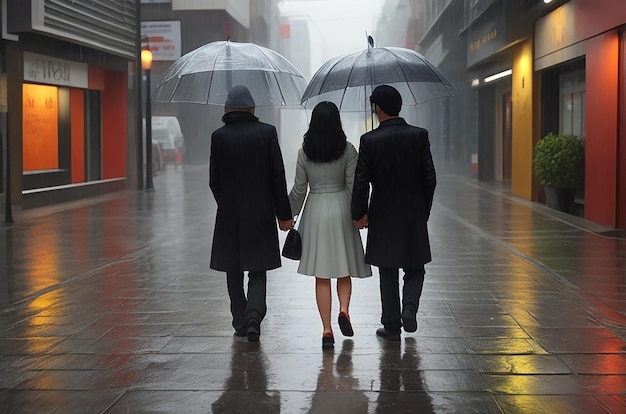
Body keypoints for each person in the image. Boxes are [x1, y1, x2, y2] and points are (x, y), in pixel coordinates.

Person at [351, 85, 436, 342]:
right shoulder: (419, 136)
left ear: (378, 108)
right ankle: (409, 307)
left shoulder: (369, 141)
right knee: (415, 267)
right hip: (412, 212)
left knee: (387, 270)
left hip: (383, 214)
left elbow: (361, 182)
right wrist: (423, 210)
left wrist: (359, 214)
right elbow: (430, 179)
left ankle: (391, 325)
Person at [209, 85, 293, 342]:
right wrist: (283, 214)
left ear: (226, 110)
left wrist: (226, 203)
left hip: (229, 214)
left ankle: (240, 319)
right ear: (252, 109)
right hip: (260, 212)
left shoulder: (218, 136)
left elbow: (215, 180)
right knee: (257, 268)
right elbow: (277, 176)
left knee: (232, 269)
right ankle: (255, 315)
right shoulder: (266, 133)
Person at [289, 101, 371, 350]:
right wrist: (360, 213)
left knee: (322, 274)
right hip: (341, 209)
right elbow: (354, 186)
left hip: (315, 211)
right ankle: (344, 310)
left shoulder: (305, 152)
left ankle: (326, 330)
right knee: (343, 268)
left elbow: (299, 189)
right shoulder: (347, 150)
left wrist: (288, 214)